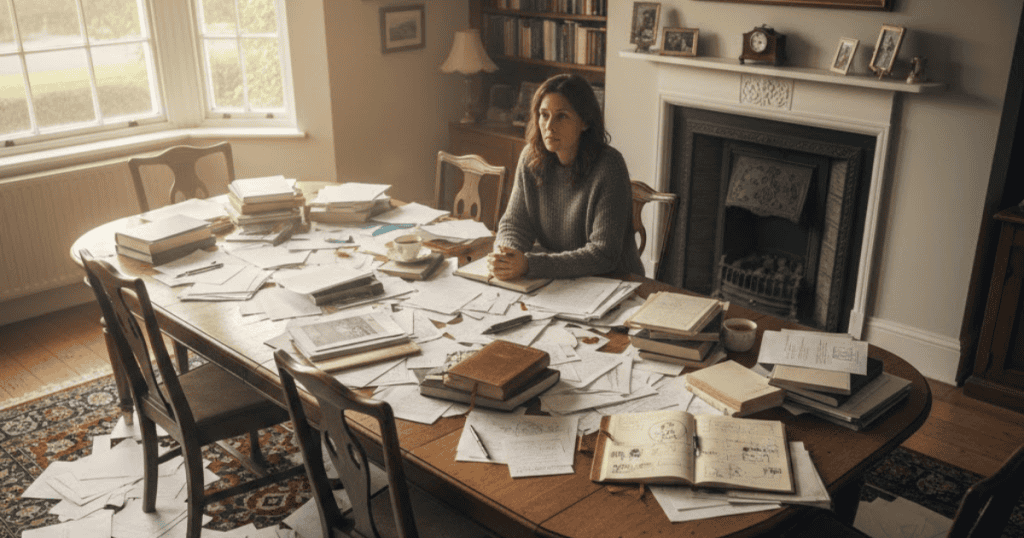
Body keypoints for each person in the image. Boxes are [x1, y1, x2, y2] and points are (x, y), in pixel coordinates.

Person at [488, 74, 644, 281]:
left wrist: (528, 265)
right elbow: (515, 224)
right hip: (559, 278)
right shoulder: (530, 158)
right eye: (544, 115)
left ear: (585, 122)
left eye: (561, 116)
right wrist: (506, 256)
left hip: (614, 281)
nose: (549, 126)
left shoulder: (609, 167)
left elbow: (603, 254)